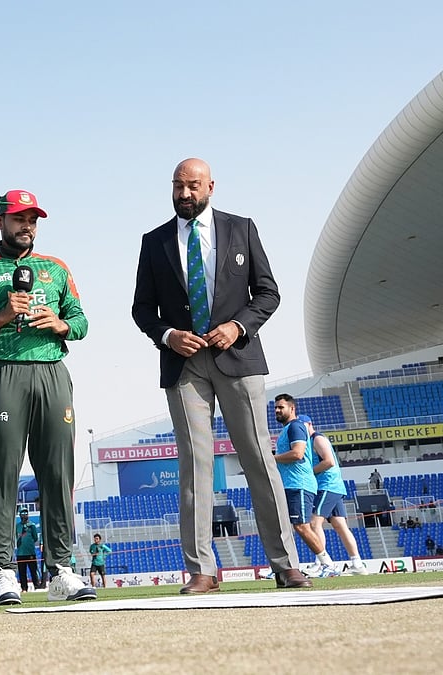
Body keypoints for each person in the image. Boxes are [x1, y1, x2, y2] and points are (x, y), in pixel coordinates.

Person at [132, 158, 308, 594]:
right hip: (184, 365)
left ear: (211, 186)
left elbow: (268, 293)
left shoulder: (241, 228)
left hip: (239, 358)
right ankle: (202, 572)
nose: (185, 194)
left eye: (192, 186)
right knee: (195, 466)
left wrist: (238, 326)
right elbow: (141, 309)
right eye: (178, 186)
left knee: (259, 460)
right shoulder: (153, 242)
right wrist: (169, 335)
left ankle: (286, 564)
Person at [0, 189, 96, 605]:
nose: (26, 226)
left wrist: (62, 324)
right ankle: (3, 573)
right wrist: (0, 316)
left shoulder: (56, 269)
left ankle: (62, 569)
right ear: (0, 223)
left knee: (57, 473)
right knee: (1, 475)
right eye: (18, 218)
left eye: (32, 219)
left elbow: (82, 320)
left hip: (52, 371)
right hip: (4, 373)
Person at [272, 397, 337, 578]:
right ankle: (284, 568)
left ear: (292, 408)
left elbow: (298, 453)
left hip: (298, 484)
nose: (277, 410)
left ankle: (328, 564)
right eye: (275, 407)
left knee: (301, 526)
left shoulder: (296, 426)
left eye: (281, 407)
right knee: (286, 527)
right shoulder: (287, 429)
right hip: (290, 485)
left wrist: (270, 459)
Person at [304, 420, 371, 575]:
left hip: (326, 485)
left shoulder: (317, 439)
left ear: (309, 424)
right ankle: (357, 564)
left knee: (314, 522)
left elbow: (329, 462)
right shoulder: (312, 440)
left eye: (303, 426)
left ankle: (321, 564)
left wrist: (310, 473)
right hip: (333, 486)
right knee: (340, 526)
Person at [14, 508, 43, 592]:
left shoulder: (32, 525)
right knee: (22, 572)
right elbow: (16, 536)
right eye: (23, 513)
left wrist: (28, 543)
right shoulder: (17, 526)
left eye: (26, 513)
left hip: (30, 552)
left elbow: (35, 538)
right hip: (20, 553)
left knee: (33, 571)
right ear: (20, 515)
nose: (25, 515)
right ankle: (24, 588)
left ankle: (36, 586)